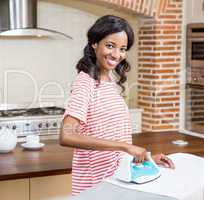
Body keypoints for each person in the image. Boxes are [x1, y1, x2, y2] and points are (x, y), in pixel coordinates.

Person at [59, 15, 175, 196]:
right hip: (95, 188)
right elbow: (67, 135)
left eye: (122, 49)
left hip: (115, 183)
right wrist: (125, 147)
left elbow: (112, 138)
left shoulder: (110, 81)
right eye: (110, 45)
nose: (116, 55)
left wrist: (146, 159)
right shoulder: (85, 82)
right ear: (94, 43)